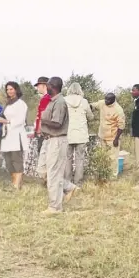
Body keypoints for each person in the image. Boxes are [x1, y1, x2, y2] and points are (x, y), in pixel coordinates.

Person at [39, 77, 79, 213]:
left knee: (54, 174)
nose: (46, 87)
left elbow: (57, 123)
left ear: (53, 86)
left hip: (57, 140)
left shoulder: (60, 102)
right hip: (50, 140)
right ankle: (67, 189)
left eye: (48, 85)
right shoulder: (53, 101)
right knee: (46, 171)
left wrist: (43, 122)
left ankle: (55, 207)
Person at [0, 81, 29, 191]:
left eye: (11, 89)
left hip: (16, 135)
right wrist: (0, 119)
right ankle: (16, 183)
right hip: (7, 135)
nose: (9, 91)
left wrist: (7, 121)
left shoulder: (21, 104)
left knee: (17, 161)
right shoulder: (8, 103)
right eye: (7, 89)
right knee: (9, 161)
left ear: (16, 90)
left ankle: (16, 186)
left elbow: (20, 120)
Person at [91, 92, 126, 177]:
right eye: (105, 98)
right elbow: (93, 105)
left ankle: (113, 175)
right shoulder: (102, 103)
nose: (106, 101)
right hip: (102, 135)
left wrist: (116, 139)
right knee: (103, 155)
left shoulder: (118, 110)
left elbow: (121, 126)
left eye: (108, 99)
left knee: (113, 158)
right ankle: (103, 173)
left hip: (113, 137)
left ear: (113, 100)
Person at [64, 82, 93, 185]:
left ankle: (67, 181)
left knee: (67, 158)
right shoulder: (84, 102)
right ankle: (78, 182)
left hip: (67, 134)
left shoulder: (64, 100)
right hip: (81, 134)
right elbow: (90, 117)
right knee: (80, 158)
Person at [33, 76, 51, 180]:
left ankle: (47, 180)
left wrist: (39, 131)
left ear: (44, 85)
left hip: (45, 132)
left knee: (44, 157)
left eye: (38, 85)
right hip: (48, 131)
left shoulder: (46, 98)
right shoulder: (49, 98)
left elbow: (43, 116)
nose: (37, 88)